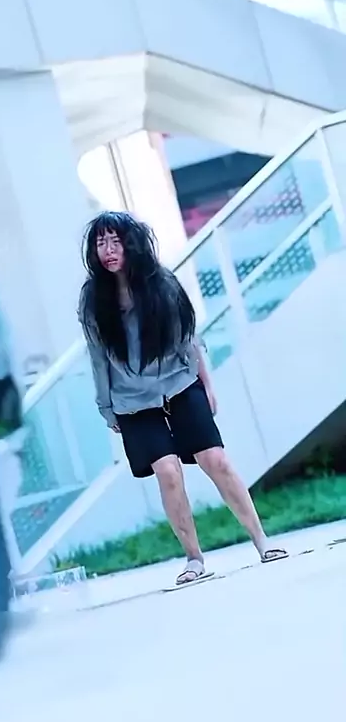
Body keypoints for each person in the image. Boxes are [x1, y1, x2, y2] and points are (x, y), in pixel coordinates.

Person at [78, 210, 288, 586]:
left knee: (216, 460)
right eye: (101, 243)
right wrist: (106, 407)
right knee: (168, 472)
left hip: (179, 382)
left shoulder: (161, 283)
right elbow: (97, 357)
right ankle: (194, 559)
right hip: (131, 401)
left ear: (132, 244)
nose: (108, 250)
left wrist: (206, 384)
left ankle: (262, 540)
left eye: (116, 241)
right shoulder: (93, 298)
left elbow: (188, 338)